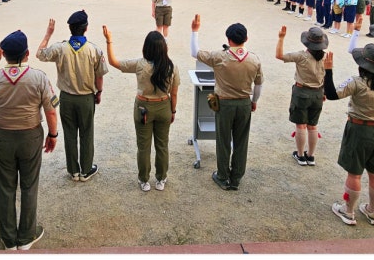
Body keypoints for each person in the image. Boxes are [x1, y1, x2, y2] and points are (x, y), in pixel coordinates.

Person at [0, 31, 59, 251]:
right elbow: (51, 111)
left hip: (3, 135)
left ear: (4, 54)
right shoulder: (38, 77)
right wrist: (53, 134)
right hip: (30, 134)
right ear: (27, 53)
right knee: (29, 185)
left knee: (5, 186)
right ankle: (26, 236)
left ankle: (8, 238)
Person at [323, 44, 374, 226]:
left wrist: (328, 71)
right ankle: (372, 211)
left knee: (355, 173)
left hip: (359, 129)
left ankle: (348, 211)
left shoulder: (358, 82)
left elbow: (332, 94)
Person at [190, 15, 263, 191]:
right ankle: (236, 177)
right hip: (244, 103)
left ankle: (223, 176)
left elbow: (195, 53)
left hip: (224, 103)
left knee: (223, 140)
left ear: (228, 39)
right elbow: (259, 84)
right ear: (246, 39)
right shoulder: (254, 59)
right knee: (241, 141)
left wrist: (195, 31)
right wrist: (254, 101)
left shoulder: (220, 56)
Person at [102, 27, 180, 191]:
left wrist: (109, 40)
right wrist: (172, 111)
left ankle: (144, 180)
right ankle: (161, 179)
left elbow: (114, 62)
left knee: (143, 146)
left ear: (146, 47)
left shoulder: (139, 64)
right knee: (162, 145)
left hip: (144, 107)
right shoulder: (171, 66)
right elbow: (174, 93)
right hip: (164, 105)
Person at [36, 11, 108, 181]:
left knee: (69, 133)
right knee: (86, 133)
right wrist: (99, 92)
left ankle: (73, 170)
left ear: (70, 28)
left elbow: (40, 54)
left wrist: (48, 34)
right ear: (86, 28)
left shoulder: (60, 48)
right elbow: (99, 75)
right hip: (86, 98)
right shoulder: (94, 49)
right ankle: (86, 169)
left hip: (67, 97)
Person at [276, 26, 330, 166]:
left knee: (301, 125)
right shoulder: (325, 57)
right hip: (318, 92)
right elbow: (325, 76)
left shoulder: (301, 56)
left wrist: (281, 38)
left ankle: (300, 155)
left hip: (302, 91)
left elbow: (280, 56)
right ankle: (311, 156)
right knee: (313, 126)